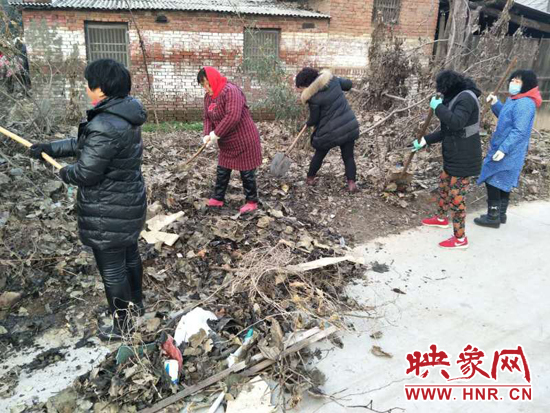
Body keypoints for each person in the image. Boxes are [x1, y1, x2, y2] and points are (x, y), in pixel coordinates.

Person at [29, 59, 147, 341]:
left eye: (88, 84)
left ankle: (123, 327)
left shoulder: (105, 123)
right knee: (129, 255)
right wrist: (50, 148)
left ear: (101, 89)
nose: (86, 88)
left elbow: (86, 173)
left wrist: (63, 172)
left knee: (113, 269)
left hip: (108, 210)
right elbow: (84, 145)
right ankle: (137, 305)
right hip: (129, 202)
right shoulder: (125, 114)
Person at [413, 70, 482, 249]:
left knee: (456, 197)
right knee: (444, 184)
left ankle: (460, 239)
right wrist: (425, 140)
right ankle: (441, 218)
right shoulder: (454, 98)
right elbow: (447, 131)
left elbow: (456, 123)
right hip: (454, 155)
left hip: (465, 157)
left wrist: (438, 108)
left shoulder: (466, 98)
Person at [475, 70, 542, 228]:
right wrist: (496, 104)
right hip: (504, 146)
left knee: (493, 180)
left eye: (518, 81)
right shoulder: (515, 99)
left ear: (527, 84)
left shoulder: (525, 103)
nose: (513, 83)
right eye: (513, 80)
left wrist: (503, 149)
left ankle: (493, 217)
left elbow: (519, 130)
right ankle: (500, 214)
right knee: (502, 180)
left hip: (510, 150)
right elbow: (506, 118)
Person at [198, 66, 262, 214]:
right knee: (222, 169)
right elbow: (207, 117)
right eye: (203, 85)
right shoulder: (208, 97)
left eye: (208, 83)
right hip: (227, 142)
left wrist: (216, 134)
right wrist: (207, 134)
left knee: (246, 172)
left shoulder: (230, 91)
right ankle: (218, 198)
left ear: (214, 80)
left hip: (245, 139)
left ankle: (252, 201)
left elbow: (232, 116)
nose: (206, 88)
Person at [296, 68, 360, 192]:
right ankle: (351, 183)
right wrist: (340, 82)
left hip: (328, 133)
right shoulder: (332, 80)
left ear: (307, 84)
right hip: (348, 126)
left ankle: (310, 178)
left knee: (319, 155)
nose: (301, 90)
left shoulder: (313, 97)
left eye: (301, 87)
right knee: (348, 157)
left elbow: (314, 119)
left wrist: (308, 123)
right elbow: (348, 85)